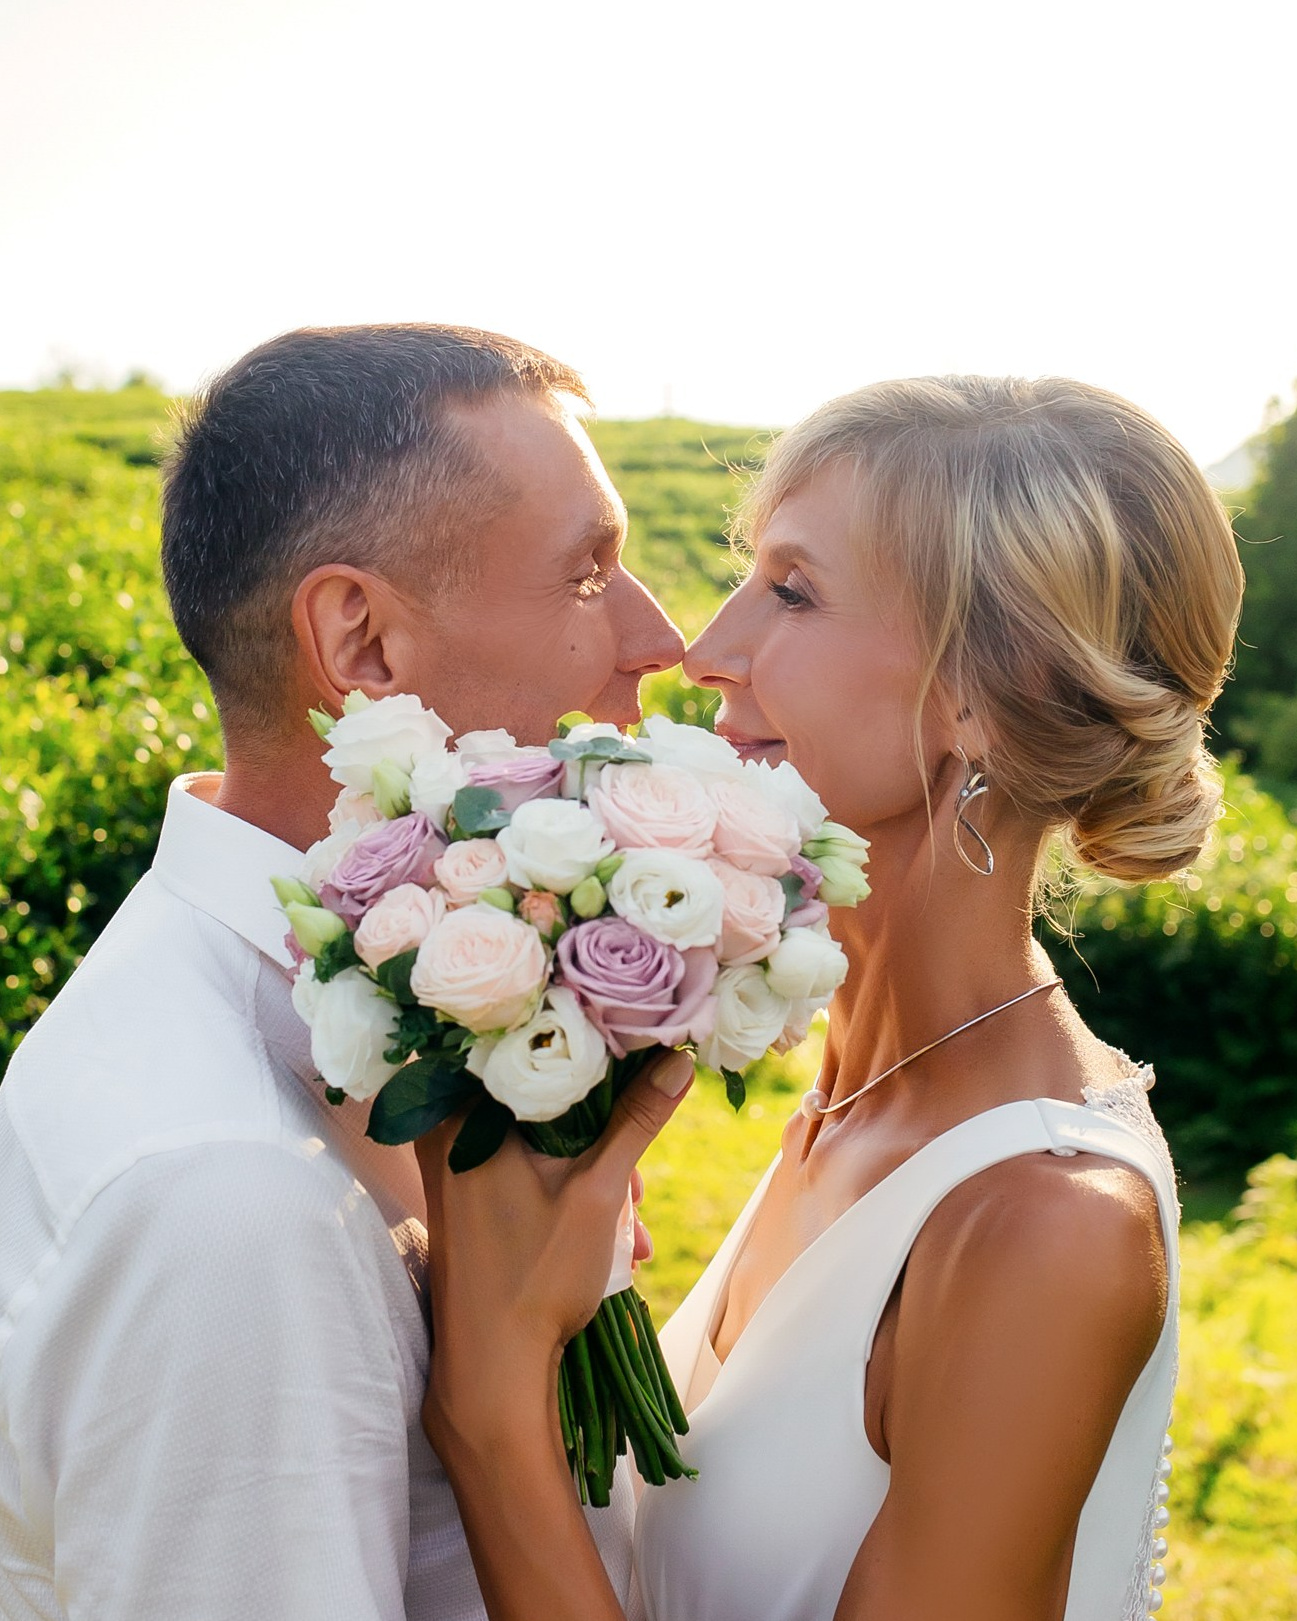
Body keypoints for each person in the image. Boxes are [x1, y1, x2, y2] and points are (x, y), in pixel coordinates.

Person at [413, 375, 1245, 1621]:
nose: (707, 650)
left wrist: (490, 1411)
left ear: (978, 694)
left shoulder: (1044, 1223)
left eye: (792, 591)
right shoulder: (854, 1091)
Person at [0, 324, 693, 1621]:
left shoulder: (358, 997)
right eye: (590, 573)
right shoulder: (232, 1195)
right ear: (363, 643)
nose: (655, 638)